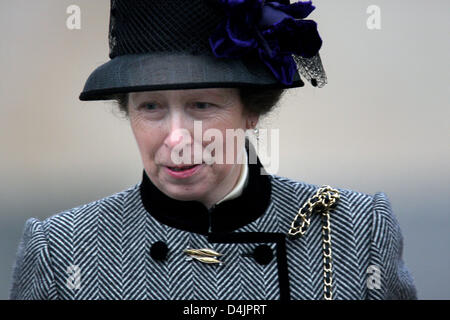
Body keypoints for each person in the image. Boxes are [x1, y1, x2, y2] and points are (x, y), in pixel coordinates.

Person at [9, 0, 417, 300]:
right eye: (150, 107)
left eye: (201, 106)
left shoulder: (356, 231)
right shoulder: (62, 249)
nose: (176, 138)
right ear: (128, 111)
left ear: (251, 111)